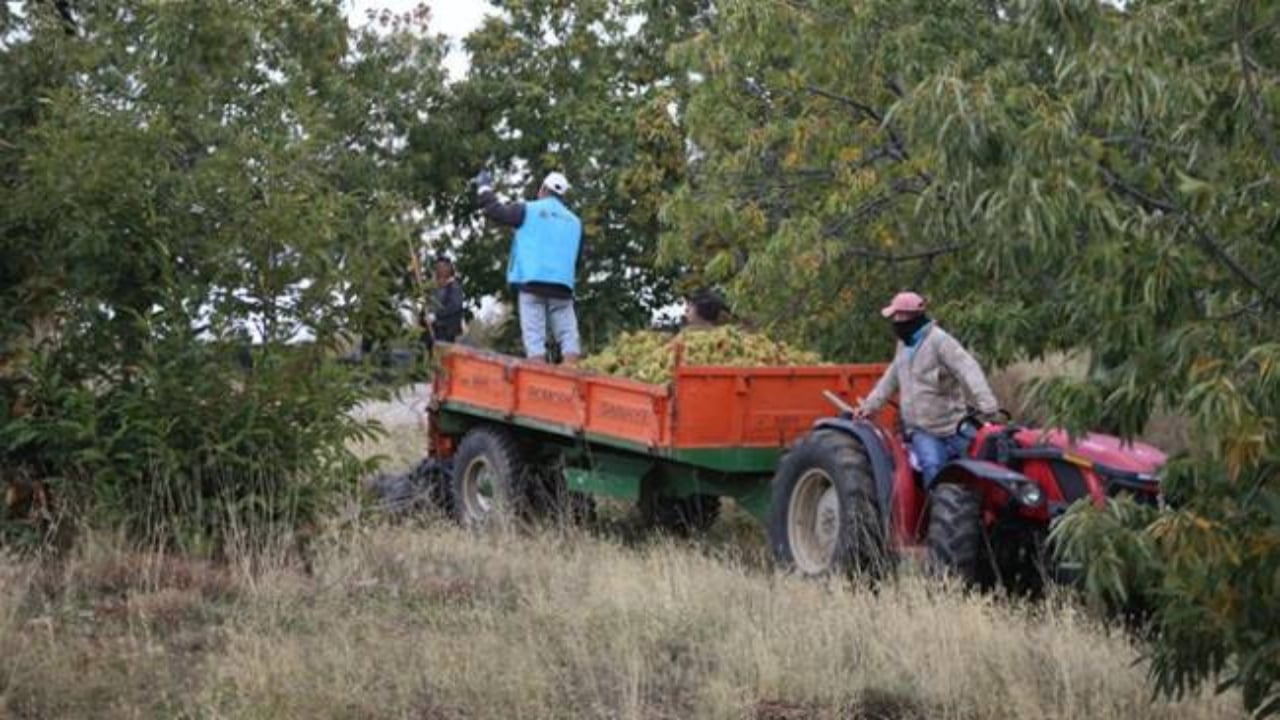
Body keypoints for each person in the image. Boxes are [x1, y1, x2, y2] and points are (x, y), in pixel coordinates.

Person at [855, 291, 1000, 488]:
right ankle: (937, 512)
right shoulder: (903, 346)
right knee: (933, 467)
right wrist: (870, 406)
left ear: (912, 316)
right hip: (922, 429)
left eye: (899, 316)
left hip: (953, 426)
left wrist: (988, 404)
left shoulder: (940, 341)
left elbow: (968, 369)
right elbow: (890, 379)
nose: (895, 321)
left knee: (986, 462)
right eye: (894, 317)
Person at [472, 169, 583, 364]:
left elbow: (495, 211)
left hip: (532, 282)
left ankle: (536, 376)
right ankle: (571, 374)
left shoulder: (528, 210)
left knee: (534, 337)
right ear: (563, 196)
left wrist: (484, 187)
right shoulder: (575, 222)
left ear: (542, 189)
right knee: (568, 333)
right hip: (563, 286)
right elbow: (577, 256)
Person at [420, 255, 465, 344]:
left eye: (443, 267)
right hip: (430, 331)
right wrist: (423, 318)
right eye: (438, 267)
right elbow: (426, 306)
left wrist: (436, 316)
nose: (440, 270)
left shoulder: (454, 287)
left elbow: (454, 306)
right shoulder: (433, 288)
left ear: (449, 269)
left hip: (445, 332)